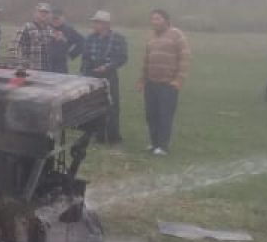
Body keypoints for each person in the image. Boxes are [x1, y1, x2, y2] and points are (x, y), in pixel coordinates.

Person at [138, 8, 191, 156]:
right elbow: (146, 60)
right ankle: (154, 143)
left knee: (165, 115)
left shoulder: (177, 35)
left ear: (166, 20)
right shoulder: (151, 38)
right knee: (151, 115)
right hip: (151, 84)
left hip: (168, 84)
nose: (154, 22)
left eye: (157, 18)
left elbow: (185, 57)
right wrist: (142, 79)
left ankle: (163, 146)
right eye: (152, 19)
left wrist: (179, 79)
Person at [81, 10, 128, 143]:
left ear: (106, 24)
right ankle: (98, 135)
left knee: (112, 106)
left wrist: (107, 67)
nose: (94, 24)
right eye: (94, 22)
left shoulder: (118, 38)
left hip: (109, 75)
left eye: (97, 22)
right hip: (91, 75)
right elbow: (85, 57)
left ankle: (113, 137)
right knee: (95, 105)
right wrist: (85, 72)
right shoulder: (90, 38)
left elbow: (122, 57)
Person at [13, 3, 57, 70]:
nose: (43, 14)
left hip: (46, 70)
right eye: (41, 12)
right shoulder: (26, 27)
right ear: (35, 13)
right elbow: (14, 46)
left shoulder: (50, 29)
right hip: (30, 69)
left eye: (46, 12)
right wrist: (17, 64)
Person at [47, 6, 85, 73]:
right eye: (53, 19)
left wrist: (71, 54)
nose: (55, 21)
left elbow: (83, 42)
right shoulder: (46, 27)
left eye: (57, 18)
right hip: (46, 64)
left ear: (63, 18)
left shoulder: (68, 30)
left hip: (61, 66)